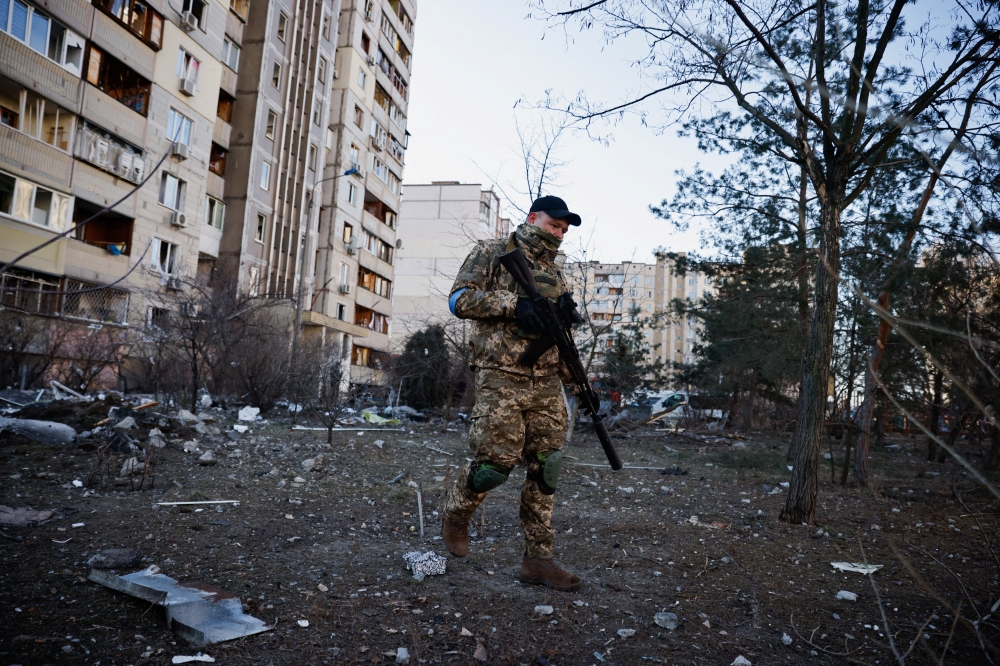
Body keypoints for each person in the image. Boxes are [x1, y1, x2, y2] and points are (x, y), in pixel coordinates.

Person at [442, 195, 585, 592]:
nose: (557, 233)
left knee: (547, 466)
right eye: (553, 224)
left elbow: (559, 338)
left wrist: (567, 323)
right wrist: (513, 305)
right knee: (494, 465)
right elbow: (458, 300)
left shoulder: (556, 273)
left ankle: (538, 560)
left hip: (545, 381)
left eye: (562, 229)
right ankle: (457, 514)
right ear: (532, 217)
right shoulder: (492, 251)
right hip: (501, 376)